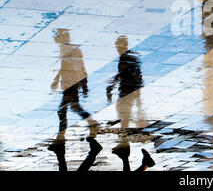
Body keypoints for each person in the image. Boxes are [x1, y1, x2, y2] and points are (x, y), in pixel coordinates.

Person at [48, 28, 101, 171]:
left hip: (70, 82)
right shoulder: (69, 48)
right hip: (72, 81)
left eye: (57, 36)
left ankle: (60, 142)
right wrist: (83, 84)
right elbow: (77, 66)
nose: (55, 39)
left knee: (64, 110)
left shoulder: (66, 48)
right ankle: (61, 142)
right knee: (68, 109)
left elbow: (70, 65)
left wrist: (58, 79)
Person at [107, 35, 155, 171]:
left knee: (124, 119)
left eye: (118, 46)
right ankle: (125, 152)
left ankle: (126, 152)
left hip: (126, 92)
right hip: (130, 91)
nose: (117, 48)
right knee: (124, 120)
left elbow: (123, 73)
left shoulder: (125, 58)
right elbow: (136, 74)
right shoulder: (132, 58)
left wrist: (111, 86)